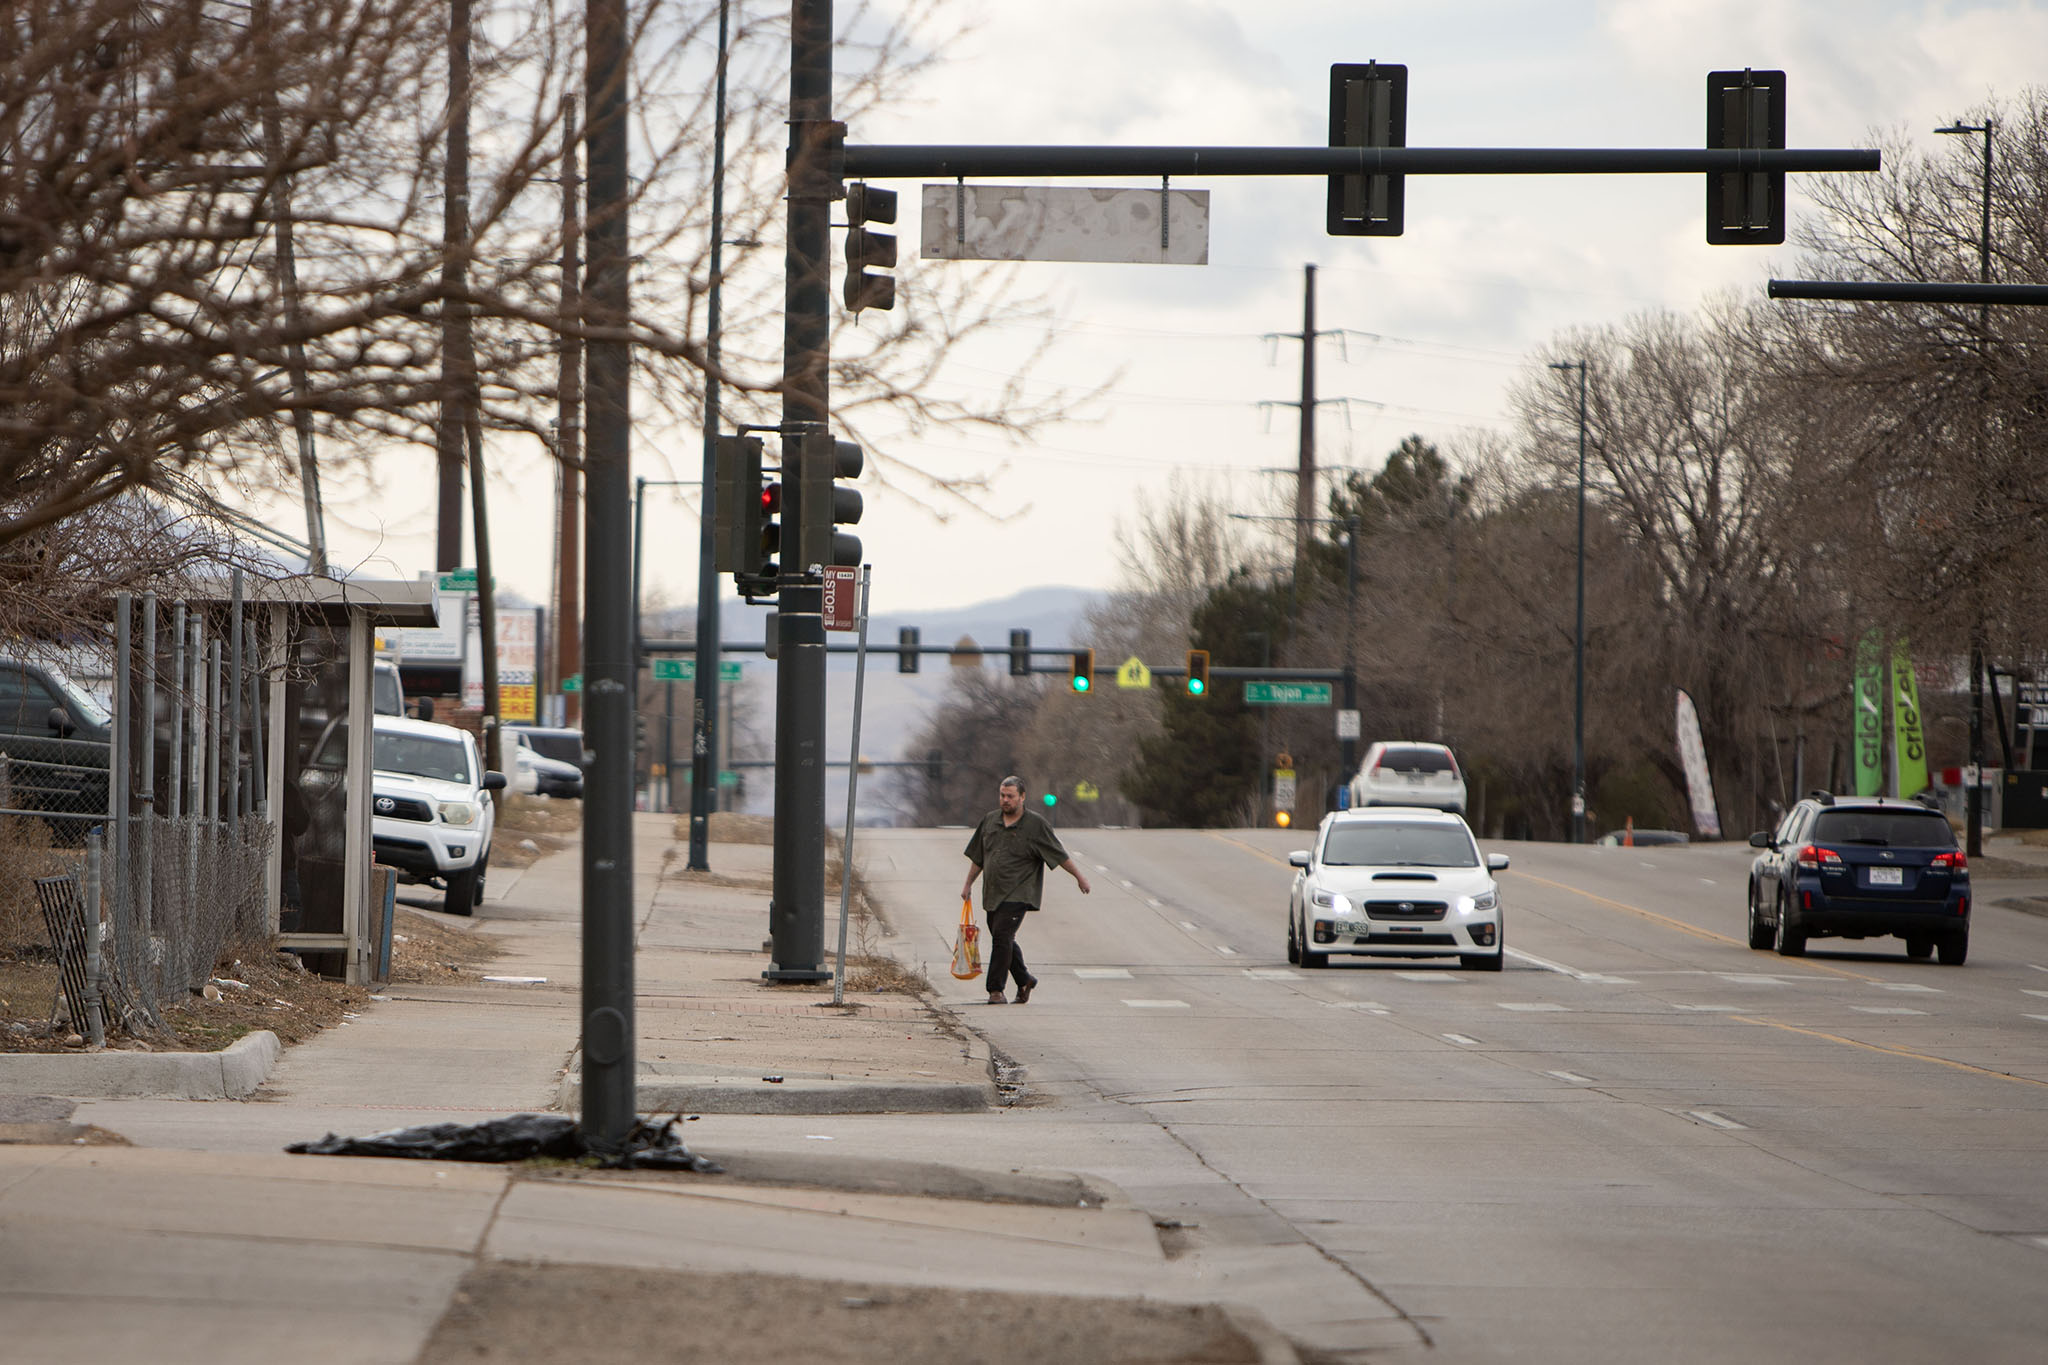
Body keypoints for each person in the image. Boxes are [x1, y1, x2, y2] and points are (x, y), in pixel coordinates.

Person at [960, 775, 1091, 1005]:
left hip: (1020, 893)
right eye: (1002, 795)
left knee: (1001, 937)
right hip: (993, 893)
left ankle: (995, 990)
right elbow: (979, 856)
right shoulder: (990, 821)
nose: (1005, 800)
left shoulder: (1035, 824)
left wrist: (1079, 877)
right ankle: (1025, 979)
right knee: (1004, 938)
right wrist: (968, 883)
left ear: (1022, 797)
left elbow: (1058, 854)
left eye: (1010, 796)